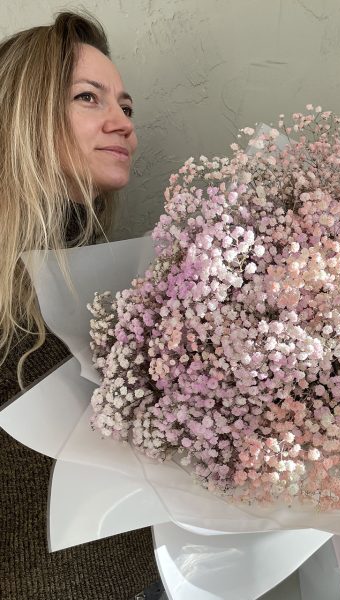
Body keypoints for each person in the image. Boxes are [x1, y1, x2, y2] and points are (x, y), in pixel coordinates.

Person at [0, 11, 160, 599]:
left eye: (126, 106)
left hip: (140, 583)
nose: (122, 124)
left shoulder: (107, 277)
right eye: (89, 98)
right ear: (25, 115)